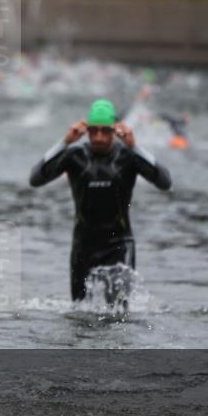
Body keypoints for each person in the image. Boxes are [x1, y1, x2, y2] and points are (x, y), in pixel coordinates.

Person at [29, 99, 172, 303]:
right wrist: (65, 142)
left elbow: (165, 182)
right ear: (86, 130)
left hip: (119, 246)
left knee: (118, 315)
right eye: (93, 131)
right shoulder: (75, 156)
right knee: (79, 313)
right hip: (83, 245)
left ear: (114, 131)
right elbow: (35, 179)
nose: (99, 137)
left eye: (105, 131)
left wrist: (135, 146)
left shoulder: (128, 157)